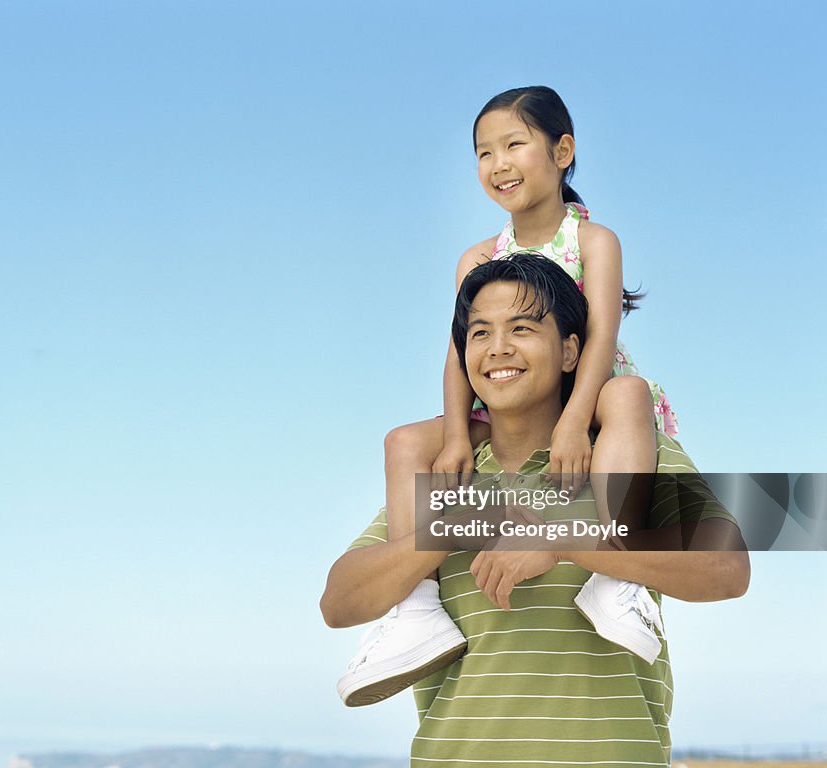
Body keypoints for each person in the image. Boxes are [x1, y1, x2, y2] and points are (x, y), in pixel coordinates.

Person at [321, 253, 750, 765]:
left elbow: (726, 569)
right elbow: (339, 603)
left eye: (521, 328)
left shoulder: (631, 454)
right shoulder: (442, 474)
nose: (498, 348)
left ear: (571, 352)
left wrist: (562, 541)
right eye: (479, 333)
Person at [336, 86, 677, 706]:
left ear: (562, 151)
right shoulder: (477, 257)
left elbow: (599, 339)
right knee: (406, 439)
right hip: (503, 407)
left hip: (588, 394)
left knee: (626, 393)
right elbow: (457, 358)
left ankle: (614, 573)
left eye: (514, 144)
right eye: (483, 152)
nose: (498, 164)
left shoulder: (594, 241)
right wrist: (459, 436)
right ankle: (416, 611)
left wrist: (576, 423)